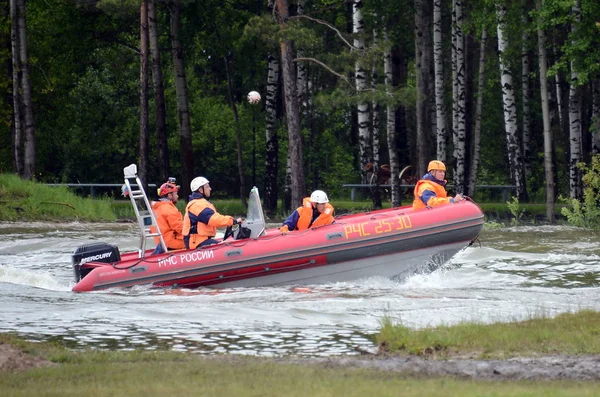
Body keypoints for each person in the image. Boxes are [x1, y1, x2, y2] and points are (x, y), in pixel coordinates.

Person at [182, 176, 243, 249]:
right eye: (207, 187)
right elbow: (214, 219)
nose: (210, 189)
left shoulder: (200, 203)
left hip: (201, 240)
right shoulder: (196, 205)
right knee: (226, 247)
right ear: (201, 190)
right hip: (197, 243)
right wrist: (233, 221)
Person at [151, 179, 185, 254]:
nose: (177, 196)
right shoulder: (168, 208)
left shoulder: (156, 208)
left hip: (161, 243)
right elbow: (180, 228)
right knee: (194, 241)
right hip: (172, 243)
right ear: (169, 195)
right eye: (176, 194)